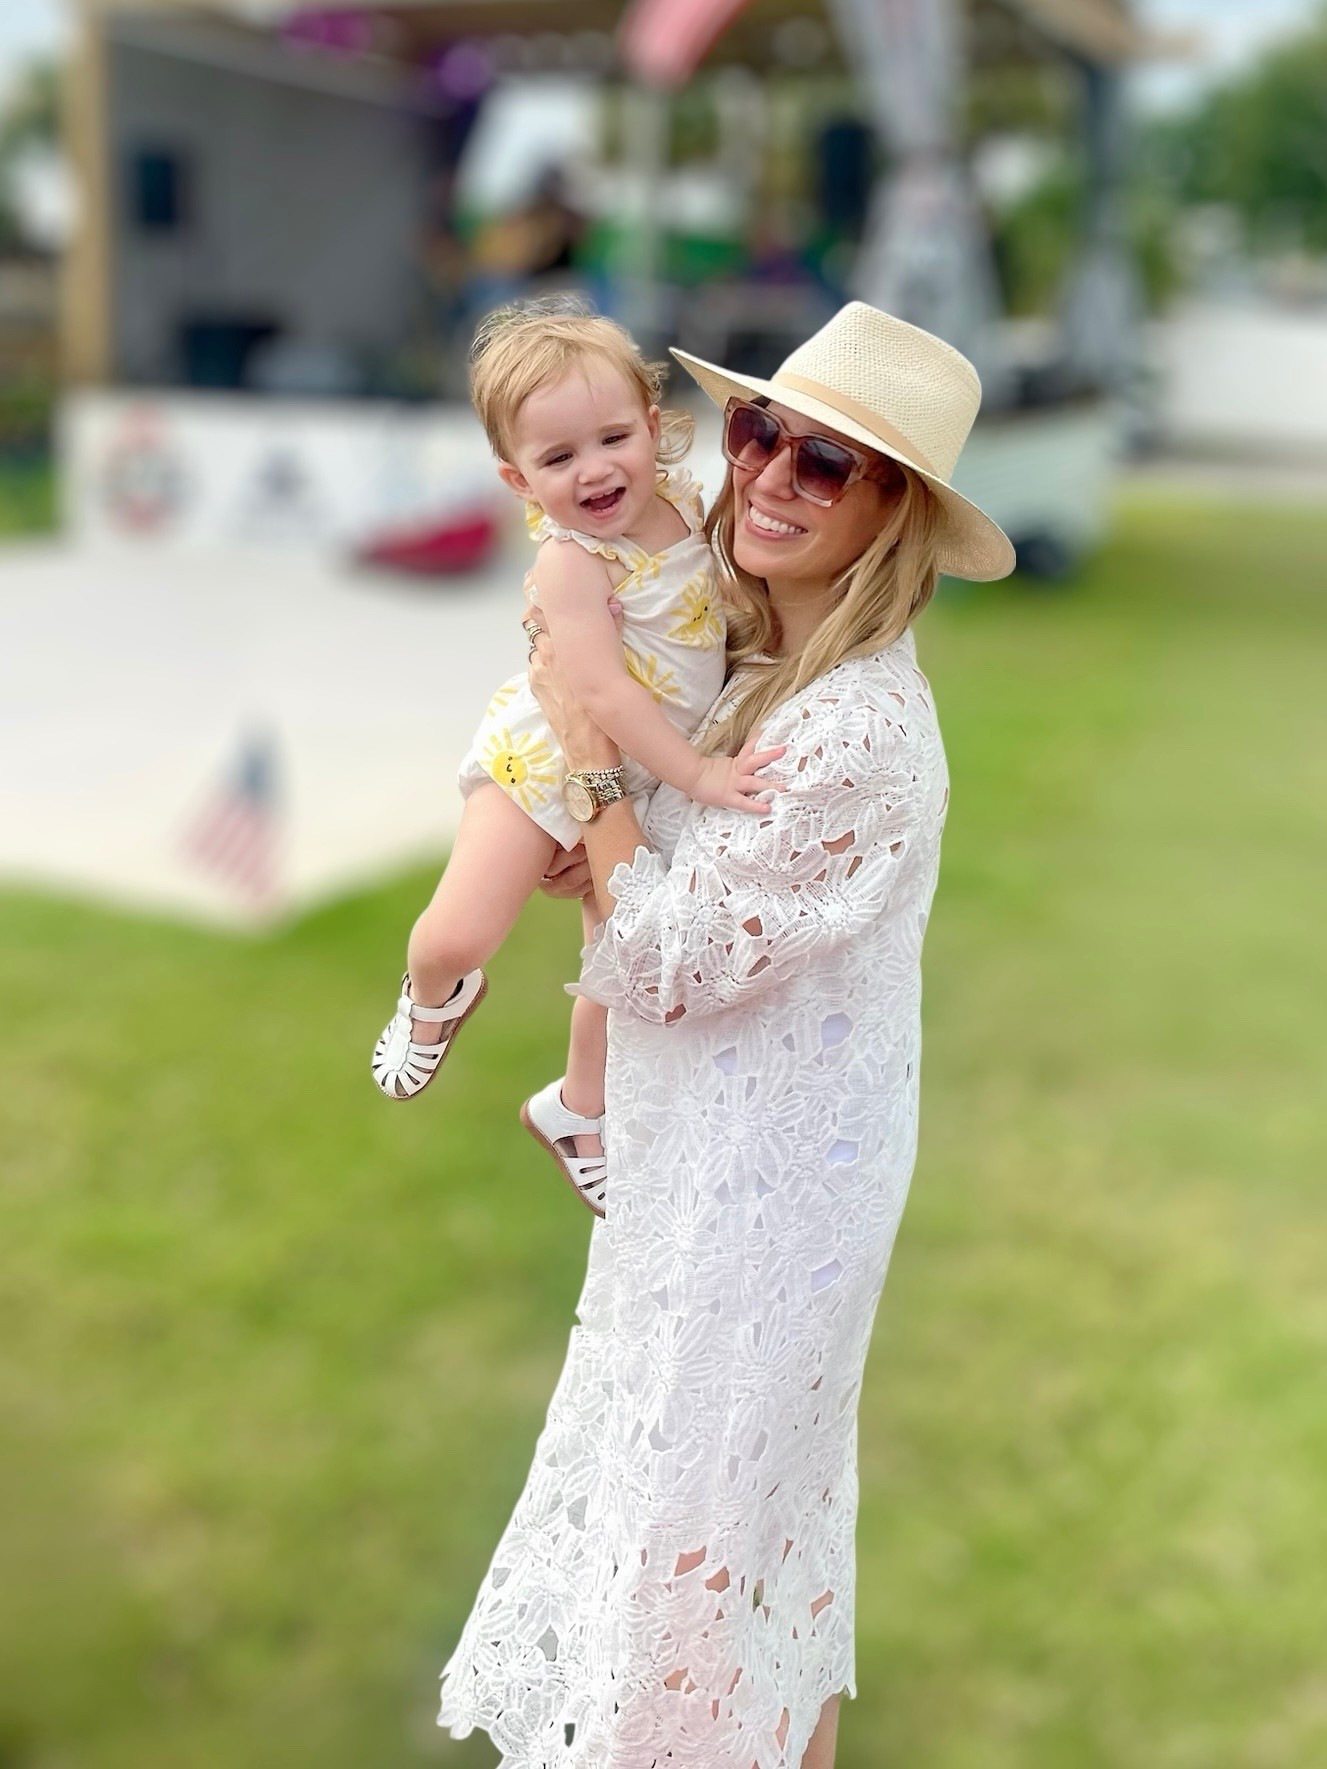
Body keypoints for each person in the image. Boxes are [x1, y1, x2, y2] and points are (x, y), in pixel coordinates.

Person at [435, 301, 1015, 1768]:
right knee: (742, 1558)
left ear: (896, 514)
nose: (766, 474)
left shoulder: (860, 731)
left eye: (827, 462)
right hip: (700, 1155)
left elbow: (673, 960)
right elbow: (641, 915)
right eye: (761, 431)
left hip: (763, 1207)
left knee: (701, 1563)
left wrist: (595, 774)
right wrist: (591, 826)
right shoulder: (753, 669)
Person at [369, 301, 774, 1215]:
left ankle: (576, 1106)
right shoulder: (572, 562)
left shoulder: (687, 509)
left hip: (636, 775)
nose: (594, 471)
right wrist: (701, 774)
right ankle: (434, 989)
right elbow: (598, 693)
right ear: (518, 477)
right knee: (462, 928)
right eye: (557, 458)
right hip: (546, 756)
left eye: (612, 438)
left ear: (655, 422)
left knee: (615, 966)